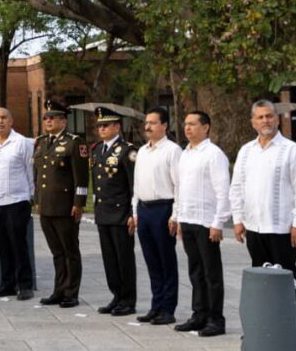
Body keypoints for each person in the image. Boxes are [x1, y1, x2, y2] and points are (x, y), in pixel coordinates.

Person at [230, 99, 296, 320]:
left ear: (277, 118)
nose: (265, 120)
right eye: (260, 117)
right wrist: (238, 220)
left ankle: (292, 328)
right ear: (253, 122)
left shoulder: (293, 151)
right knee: (260, 279)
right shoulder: (246, 151)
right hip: (254, 228)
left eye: (269, 116)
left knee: (287, 279)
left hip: (282, 228)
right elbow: (237, 187)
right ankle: (265, 326)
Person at [173, 110, 231, 337]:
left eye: (193, 124)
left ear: (206, 127)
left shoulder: (214, 154)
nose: (188, 128)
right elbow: (180, 188)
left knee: (211, 273)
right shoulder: (185, 154)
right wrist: (177, 217)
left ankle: (216, 319)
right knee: (195, 272)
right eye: (186, 124)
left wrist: (218, 222)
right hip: (188, 219)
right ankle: (199, 314)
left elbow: (222, 190)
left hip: (207, 221)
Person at [32, 100, 88, 308]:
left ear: (63, 120)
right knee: (57, 252)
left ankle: (71, 292)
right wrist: (37, 200)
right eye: (46, 117)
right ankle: (59, 289)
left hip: (66, 206)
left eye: (52, 117)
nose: (48, 121)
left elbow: (81, 178)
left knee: (70, 251)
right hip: (46, 206)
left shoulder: (75, 142)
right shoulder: (41, 142)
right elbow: (38, 174)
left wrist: (79, 203)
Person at [130, 107, 180, 326]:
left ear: (164, 125)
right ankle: (156, 305)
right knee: (151, 260)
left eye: (153, 122)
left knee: (166, 259)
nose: (148, 127)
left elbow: (179, 184)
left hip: (164, 209)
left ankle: (168, 308)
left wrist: (176, 214)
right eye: (146, 123)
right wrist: (134, 211)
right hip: (144, 209)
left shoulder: (172, 150)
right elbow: (137, 184)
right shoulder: (142, 151)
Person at [0, 107, 35, 301]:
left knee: (18, 244)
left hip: (17, 201)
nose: (0, 121)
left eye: (4, 117)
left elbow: (30, 171)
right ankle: (7, 284)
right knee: (2, 244)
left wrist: (30, 195)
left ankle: (25, 284)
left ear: (11, 121)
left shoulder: (21, 142)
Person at [91, 106, 138, 316]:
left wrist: (132, 213)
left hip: (121, 214)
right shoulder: (97, 149)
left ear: (117, 126)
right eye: (99, 125)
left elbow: (133, 185)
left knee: (123, 259)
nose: (101, 129)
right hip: (103, 213)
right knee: (109, 259)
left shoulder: (127, 150)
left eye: (106, 125)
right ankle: (116, 296)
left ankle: (128, 299)